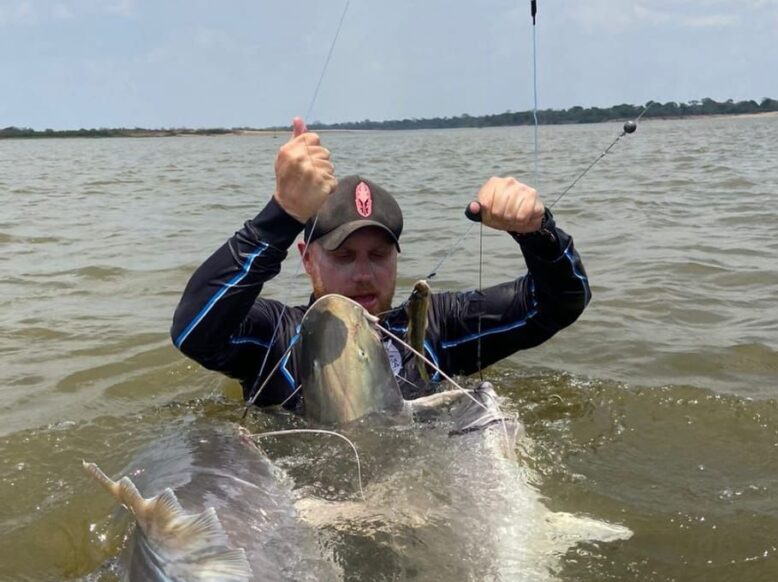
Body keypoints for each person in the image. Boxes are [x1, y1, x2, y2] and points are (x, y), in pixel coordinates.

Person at [171, 117, 590, 408]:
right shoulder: (274, 338)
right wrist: (281, 215)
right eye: (343, 256)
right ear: (307, 259)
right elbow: (194, 331)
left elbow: (558, 304)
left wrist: (537, 233)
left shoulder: (436, 327)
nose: (363, 274)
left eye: (379, 255)